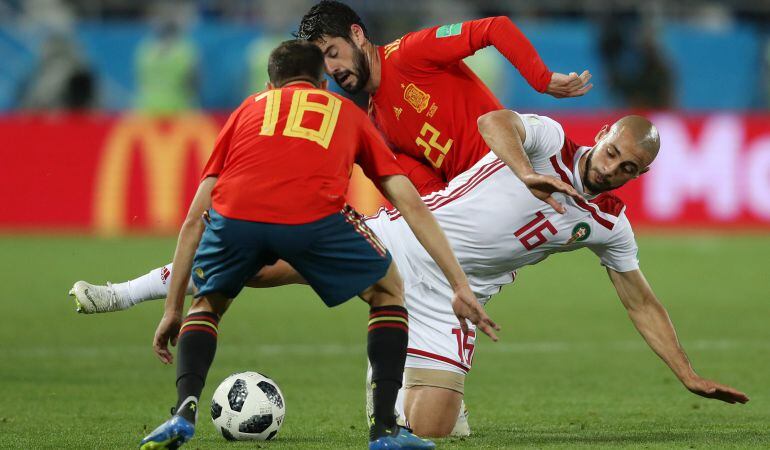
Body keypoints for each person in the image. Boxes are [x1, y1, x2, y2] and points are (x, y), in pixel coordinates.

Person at [73, 112, 749, 439]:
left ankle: (391, 388)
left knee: (429, 430)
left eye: (628, 167)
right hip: (402, 239)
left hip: (457, 300)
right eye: (611, 152)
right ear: (600, 136)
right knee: (259, 263)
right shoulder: (544, 140)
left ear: (640, 174)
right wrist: (524, 173)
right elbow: (495, 122)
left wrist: (686, 373)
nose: (612, 167)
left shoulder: (609, 226)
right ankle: (124, 292)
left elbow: (641, 302)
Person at [134, 39, 496, 450]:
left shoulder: (245, 111)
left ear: (271, 86)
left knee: (209, 303)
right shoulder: (345, 111)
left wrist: (173, 309)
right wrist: (459, 283)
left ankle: (183, 412)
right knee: (388, 289)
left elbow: (192, 221)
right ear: (323, 83)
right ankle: (384, 430)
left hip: (237, 216)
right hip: (312, 218)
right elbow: (408, 201)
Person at [294, 0, 593, 196]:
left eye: (333, 53)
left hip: (519, 166)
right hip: (487, 202)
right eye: (324, 62)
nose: (333, 69)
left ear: (357, 35)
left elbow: (494, 27)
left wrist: (541, 79)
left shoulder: (410, 53)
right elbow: (432, 192)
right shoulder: (377, 126)